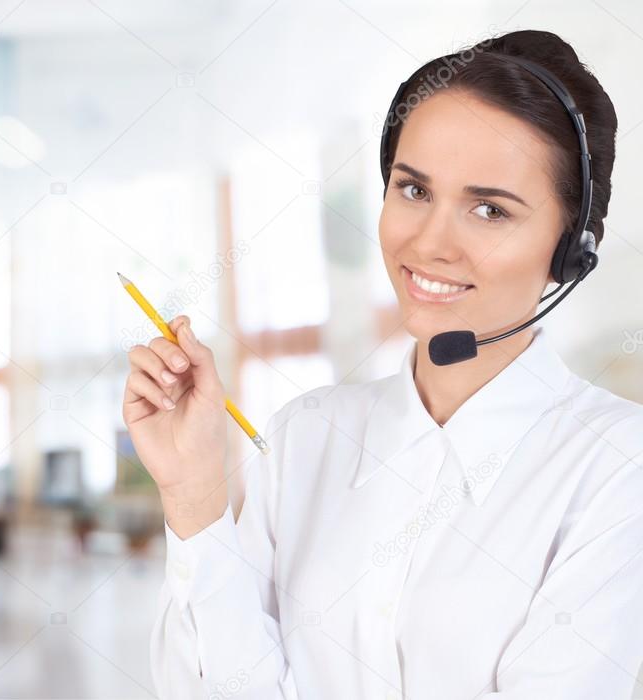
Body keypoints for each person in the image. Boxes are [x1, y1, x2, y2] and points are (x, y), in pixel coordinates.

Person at [122, 29, 643, 699]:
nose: (428, 242)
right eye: (414, 190)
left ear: (570, 250)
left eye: (489, 209)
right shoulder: (303, 436)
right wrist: (193, 495)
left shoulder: (617, 470)